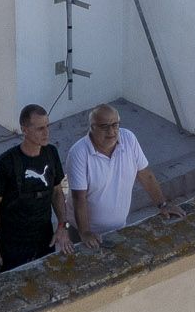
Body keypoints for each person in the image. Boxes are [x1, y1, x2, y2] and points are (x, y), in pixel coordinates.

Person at [0, 104, 72, 275]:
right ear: (25, 130)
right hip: (13, 245)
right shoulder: (5, 163)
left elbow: (57, 192)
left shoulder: (51, 153)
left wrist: (62, 225)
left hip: (44, 239)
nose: (46, 133)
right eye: (40, 128)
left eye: (47, 126)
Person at [66, 104, 172, 244]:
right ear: (92, 127)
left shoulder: (129, 139)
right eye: (104, 126)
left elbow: (146, 175)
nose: (111, 131)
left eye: (115, 125)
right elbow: (79, 198)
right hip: (85, 232)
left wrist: (163, 205)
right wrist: (85, 233)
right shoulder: (78, 153)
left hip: (119, 228)